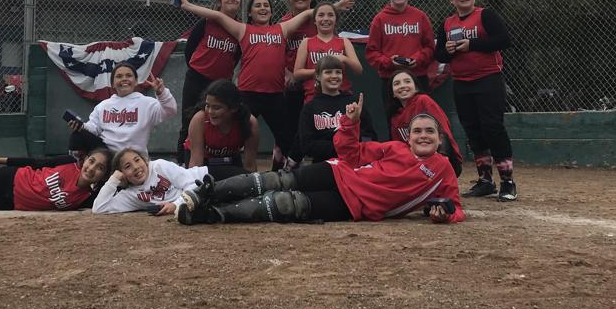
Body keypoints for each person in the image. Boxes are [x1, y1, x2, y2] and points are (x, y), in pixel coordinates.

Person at [178, 94, 464, 225]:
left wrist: (445, 214)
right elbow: (350, 154)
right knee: (277, 180)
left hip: (356, 205)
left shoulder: (442, 169)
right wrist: (350, 124)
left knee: (287, 204)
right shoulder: (395, 148)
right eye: (417, 131)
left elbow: (456, 207)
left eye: (429, 132)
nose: (423, 136)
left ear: (440, 138)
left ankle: (213, 214)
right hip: (339, 172)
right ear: (408, 137)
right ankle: (208, 193)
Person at [176, 0, 315, 168]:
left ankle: (289, 171)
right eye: (257, 5)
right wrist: (187, 6)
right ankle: (227, 166)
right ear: (249, 12)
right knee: (236, 130)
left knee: (286, 138)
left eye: (266, 5)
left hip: (275, 95)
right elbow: (217, 16)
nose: (262, 8)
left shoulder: (282, 29)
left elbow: (307, 14)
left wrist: (332, 8)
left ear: (271, 12)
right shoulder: (243, 29)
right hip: (248, 94)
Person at [434, 0, 517, 201]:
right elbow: (439, 54)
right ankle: (485, 180)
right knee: (473, 130)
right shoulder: (448, 23)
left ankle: (507, 181)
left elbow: (504, 40)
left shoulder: (485, 15)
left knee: (493, 127)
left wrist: (472, 44)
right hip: (462, 82)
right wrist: (448, 50)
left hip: (488, 79)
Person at [278, 0, 354, 167]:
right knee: (291, 131)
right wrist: (287, 73)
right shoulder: (285, 22)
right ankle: (283, 167)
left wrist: (334, 8)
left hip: (318, 87)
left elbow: (323, 12)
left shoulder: (320, 21)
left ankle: (318, 165)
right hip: (293, 84)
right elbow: (275, 51)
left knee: (319, 127)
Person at [176, 0, 242, 164]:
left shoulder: (239, 28)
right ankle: (182, 163)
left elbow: (236, 56)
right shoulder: (207, 22)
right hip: (197, 78)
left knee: (221, 121)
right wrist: (197, 68)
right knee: (189, 121)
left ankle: (216, 160)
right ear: (219, 1)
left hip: (220, 85)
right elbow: (190, 48)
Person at [365, 0, 435, 126]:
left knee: (422, 122)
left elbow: (430, 47)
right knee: (395, 124)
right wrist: (389, 62)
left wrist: (417, 59)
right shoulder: (380, 19)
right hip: (391, 80)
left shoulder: (420, 16)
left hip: (417, 78)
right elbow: (371, 52)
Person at [79, 62, 177, 155]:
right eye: (119, 76)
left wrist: (161, 93)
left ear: (136, 81)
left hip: (136, 160)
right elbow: (92, 129)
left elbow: (170, 111)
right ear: (112, 84)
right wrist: (80, 126)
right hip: (108, 159)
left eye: (129, 75)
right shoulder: (102, 106)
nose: (124, 79)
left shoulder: (147, 103)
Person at [296, 55, 376, 165]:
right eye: (328, 72)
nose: (334, 76)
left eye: (338, 72)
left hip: (354, 162)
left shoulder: (354, 102)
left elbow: (370, 137)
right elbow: (307, 145)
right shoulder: (310, 108)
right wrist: (341, 145)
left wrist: (354, 125)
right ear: (318, 76)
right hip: (324, 165)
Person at [387, 69, 462, 176]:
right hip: (414, 165)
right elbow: (399, 147)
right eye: (397, 83)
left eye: (407, 81)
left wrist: (443, 158)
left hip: (442, 161)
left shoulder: (423, 100)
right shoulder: (395, 116)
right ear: (392, 92)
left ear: (416, 87)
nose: (402, 86)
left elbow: (443, 131)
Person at [92, 147, 207, 215]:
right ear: (123, 175)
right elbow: (99, 208)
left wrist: (176, 205)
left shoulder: (159, 166)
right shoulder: (130, 195)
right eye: (128, 166)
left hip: (206, 176)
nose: (136, 167)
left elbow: (193, 185)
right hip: (201, 197)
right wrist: (114, 179)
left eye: (137, 160)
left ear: (145, 160)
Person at [184, 79, 259, 178]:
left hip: (230, 160)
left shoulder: (249, 123)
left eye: (216, 108)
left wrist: (253, 184)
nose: (210, 112)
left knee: (241, 180)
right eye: (207, 106)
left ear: (234, 108)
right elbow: (196, 164)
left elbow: (250, 165)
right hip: (204, 161)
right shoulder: (199, 119)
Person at [292, 1, 362, 103]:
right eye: (321, 15)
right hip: (314, 96)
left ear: (336, 19)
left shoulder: (344, 41)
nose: (325, 19)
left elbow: (359, 70)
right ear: (315, 20)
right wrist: (321, 72)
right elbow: (297, 74)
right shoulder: (306, 42)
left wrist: (344, 58)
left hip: (341, 95)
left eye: (330, 15)